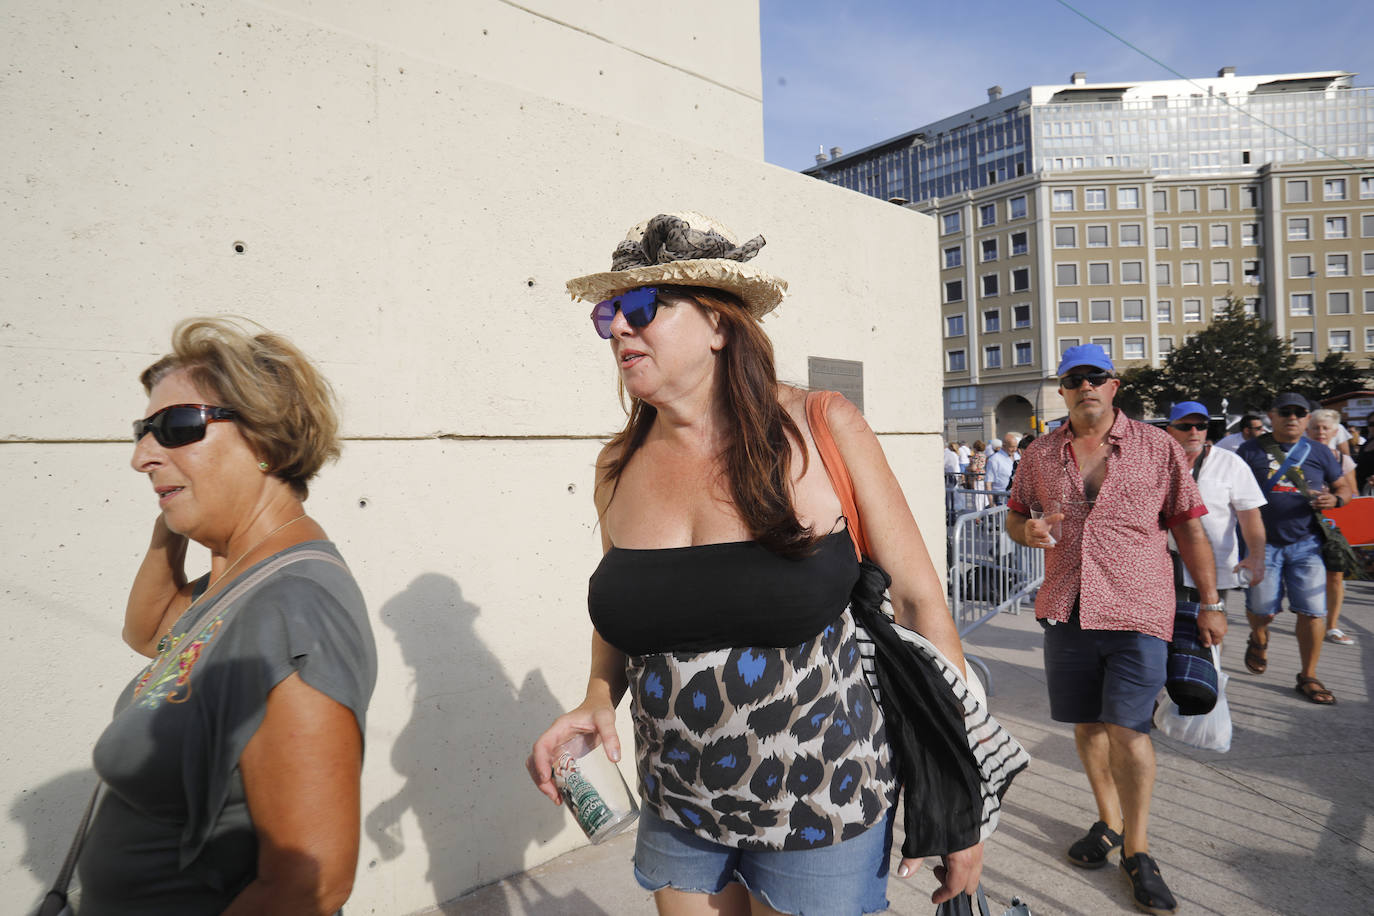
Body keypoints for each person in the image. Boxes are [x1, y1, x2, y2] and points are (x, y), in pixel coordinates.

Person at [526, 211, 982, 914]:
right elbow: (629, 610)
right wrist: (596, 696)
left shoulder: (824, 427)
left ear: (718, 325)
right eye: (608, 313)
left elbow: (922, 604)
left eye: (643, 308)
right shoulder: (617, 466)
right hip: (678, 802)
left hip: (819, 807)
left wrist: (959, 791)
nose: (619, 327)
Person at [77, 318, 377, 914]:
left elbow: (307, 886)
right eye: (142, 431)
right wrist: (177, 508)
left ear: (264, 439)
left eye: (176, 426)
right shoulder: (234, 575)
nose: (141, 456)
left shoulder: (294, 609)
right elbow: (148, 633)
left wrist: (184, 490)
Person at [1006, 344, 1222, 915]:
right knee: (1086, 725)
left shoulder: (1157, 448)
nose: (1085, 388)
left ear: (1114, 384)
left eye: (1095, 377)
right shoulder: (1041, 453)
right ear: (1062, 389)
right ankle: (1106, 819)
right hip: (1068, 606)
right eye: (1074, 379)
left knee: (1129, 729)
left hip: (1137, 610)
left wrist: (1210, 603)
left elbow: (1191, 530)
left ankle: (1138, 848)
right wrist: (1024, 532)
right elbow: (1015, 512)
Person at [1236, 393, 1353, 705]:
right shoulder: (1249, 450)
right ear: (1272, 415)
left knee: (1313, 611)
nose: (1292, 418)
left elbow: (1345, 488)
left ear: (1307, 418)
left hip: (1307, 544)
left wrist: (1337, 499)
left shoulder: (1319, 451)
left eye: (1299, 413)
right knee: (1262, 609)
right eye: (1285, 412)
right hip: (1262, 544)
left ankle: (1308, 675)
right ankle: (1259, 637)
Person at [1163, 402, 1267, 600]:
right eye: (1185, 426)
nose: (1194, 432)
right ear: (1170, 430)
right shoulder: (1155, 462)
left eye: (1201, 426)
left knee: (1210, 629)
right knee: (1167, 631)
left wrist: (1256, 557)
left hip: (1213, 568)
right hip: (1162, 569)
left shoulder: (1230, 463)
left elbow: (1250, 514)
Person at [1308, 409, 1358, 646]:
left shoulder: (1342, 460)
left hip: (1333, 526)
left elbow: (1353, 493)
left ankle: (1332, 625)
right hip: (1300, 525)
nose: (1320, 432)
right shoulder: (1297, 456)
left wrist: (1336, 498)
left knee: (1335, 575)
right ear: (1307, 429)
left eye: (1325, 428)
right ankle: (1307, 617)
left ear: (1335, 432)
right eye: (1316, 427)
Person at [985, 433, 1020, 497]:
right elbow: (988, 482)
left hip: (1016, 497)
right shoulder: (994, 459)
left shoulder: (1017, 456)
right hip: (1001, 497)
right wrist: (991, 503)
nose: (1015, 449)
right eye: (1012, 447)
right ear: (1004, 446)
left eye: (1016, 446)